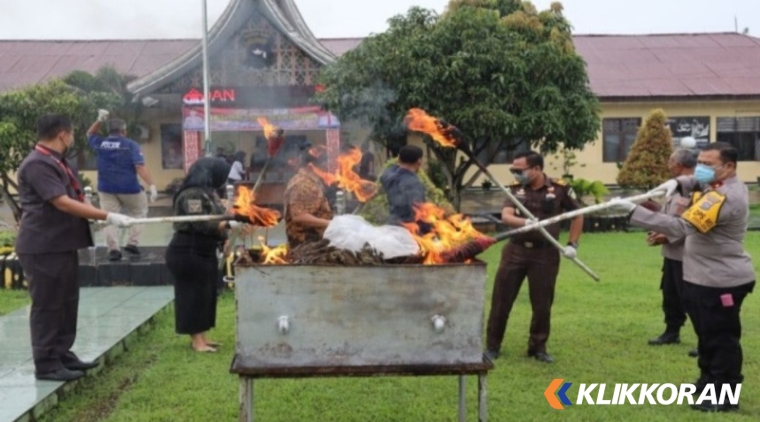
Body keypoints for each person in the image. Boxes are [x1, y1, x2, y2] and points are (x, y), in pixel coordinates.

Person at [612, 142, 754, 412]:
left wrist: (633, 211)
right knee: (705, 336)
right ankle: (707, 383)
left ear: (729, 168)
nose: (700, 169)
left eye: (708, 165)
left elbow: (680, 225)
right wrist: (677, 182)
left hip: (721, 281)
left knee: (721, 339)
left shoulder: (723, 197)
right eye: (699, 162)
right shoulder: (718, 185)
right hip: (701, 277)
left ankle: (724, 395)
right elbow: (695, 182)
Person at [16, 114, 133, 381]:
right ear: (62, 134)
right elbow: (61, 202)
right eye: (71, 133)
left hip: (62, 243)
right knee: (48, 304)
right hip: (43, 246)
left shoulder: (57, 161)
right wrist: (107, 216)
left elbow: (74, 199)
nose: (72, 138)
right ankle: (46, 363)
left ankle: (62, 353)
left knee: (67, 301)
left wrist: (93, 218)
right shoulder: (37, 164)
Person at [485, 150, 583, 364]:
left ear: (537, 168)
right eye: (513, 170)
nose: (515, 173)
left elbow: (577, 215)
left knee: (542, 304)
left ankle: (537, 348)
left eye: (519, 170)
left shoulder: (560, 189)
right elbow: (506, 216)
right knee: (501, 300)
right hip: (515, 251)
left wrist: (572, 244)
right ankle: (492, 346)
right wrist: (526, 223)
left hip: (545, 253)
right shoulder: (514, 188)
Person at [165, 157, 248, 353]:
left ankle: (202, 336)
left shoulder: (209, 193)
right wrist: (230, 224)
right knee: (192, 294)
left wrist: (226, 235)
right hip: (188, 250)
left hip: (204, 250)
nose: (222, 180)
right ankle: (196, 341)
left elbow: (218, 220)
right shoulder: (191, 194)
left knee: (205, 294)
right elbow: (202, 223)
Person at [646, 148, 697, 358]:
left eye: (671, 161)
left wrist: (668, 237)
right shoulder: (674, 188)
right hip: (671, 255)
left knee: (692, 298)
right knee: (670, 295)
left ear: (680, 164)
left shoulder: (697, 190)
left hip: (690, 255)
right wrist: (658, 231)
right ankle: (671, 332)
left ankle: (705, 340)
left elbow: (694, 223)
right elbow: (671, 217)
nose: (668, 164)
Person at [86, 111, 157, 261]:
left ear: (109, 131)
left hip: (106, 189)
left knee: (108, 218)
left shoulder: (101, 143)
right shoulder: (131, 145)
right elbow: (139, 167)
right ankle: (132, 243)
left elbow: (90, 134)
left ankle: (113, 250)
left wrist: (99, 120)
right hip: (129, 188)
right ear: (124, 131)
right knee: (139, 212)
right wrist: (151, 185)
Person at [283, 142, 333, 249]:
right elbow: (299, 216)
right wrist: (331, 224)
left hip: (314, 242)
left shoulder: (312, 181)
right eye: (324, 165)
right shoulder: (303, 184)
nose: (327, 168)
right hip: (305, 244)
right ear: (311, 166)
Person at [378, 145, 430, 233]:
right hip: (408, 230)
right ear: (419, 161)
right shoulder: (412, 183)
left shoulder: (389, 175)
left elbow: (387, 173)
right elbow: (418, 210)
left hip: (392, 224)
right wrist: (428, 229)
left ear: (399, 159)